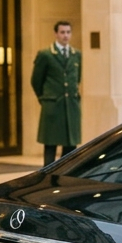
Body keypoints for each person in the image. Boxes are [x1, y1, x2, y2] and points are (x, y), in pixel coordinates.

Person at [30, 21, 81, 165]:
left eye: (68, 32)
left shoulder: (76, 54)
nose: (66, 36)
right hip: (53, 106)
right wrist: (45, 99)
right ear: (56, 34)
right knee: (51, 144)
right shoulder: (46, 54)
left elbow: (77, 78)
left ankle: (65, 174)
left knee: (70, 145)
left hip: (70, 105)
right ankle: (48, 175)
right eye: (62, 32)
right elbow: (36, 81)